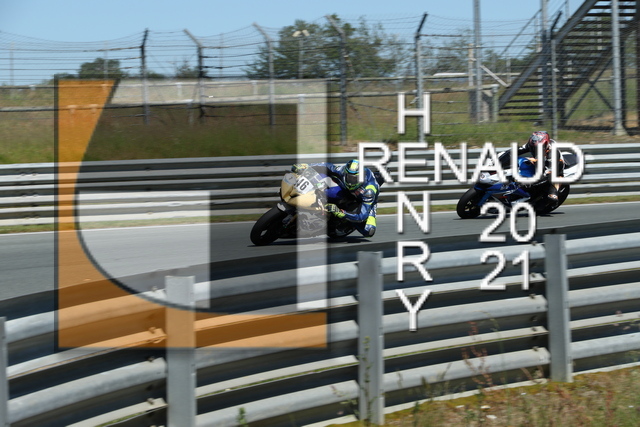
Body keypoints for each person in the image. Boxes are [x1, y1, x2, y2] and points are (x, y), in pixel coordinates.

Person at [291, 159, 381, 237]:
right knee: (327, 181)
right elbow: (326, 165)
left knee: (369, 231)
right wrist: (306, 166)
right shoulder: (342, 170)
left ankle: (345, 223)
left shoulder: (369, 191)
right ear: (345, 173)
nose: (351, 181)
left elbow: (361, 216)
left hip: (361, 199)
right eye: (349, 177)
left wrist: (341, 213)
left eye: (354, 179)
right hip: (346, 190)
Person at [498, 131, 564, 206]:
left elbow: (544, 175)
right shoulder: (532, 144)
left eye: (536, 148)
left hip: (554, 167)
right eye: (532, 147)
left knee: (550, 179)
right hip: (540, 159)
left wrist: (526, 183)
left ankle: (554, 193)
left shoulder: (552, 154)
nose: (533, 149)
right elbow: (515, 151)